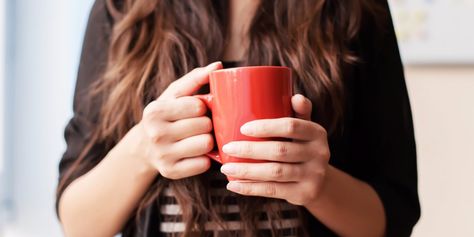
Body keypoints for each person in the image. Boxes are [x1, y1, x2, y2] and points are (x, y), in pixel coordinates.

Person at [56, 0, 420, 236]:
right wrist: (143, 149)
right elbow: (78, 224)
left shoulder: (354, 9)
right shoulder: (124, 10)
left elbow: (392, 217)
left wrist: (319, 185)